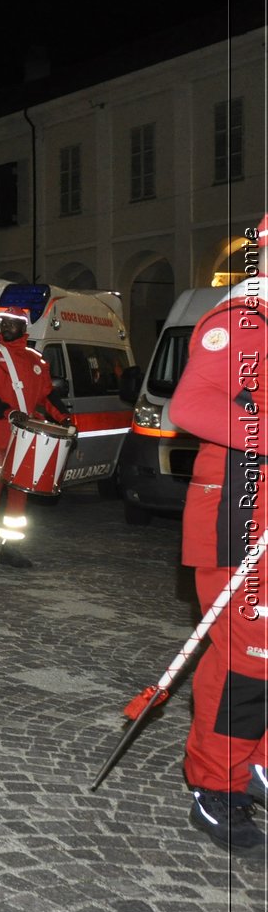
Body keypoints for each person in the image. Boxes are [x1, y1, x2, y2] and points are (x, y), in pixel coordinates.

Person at [169, 235, 268, 857]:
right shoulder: (241, 317)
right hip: (237, 521)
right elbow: (191, 403)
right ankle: (219, 787)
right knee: (247, 664)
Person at [0, 308, 70, 568]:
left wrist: (65, 419)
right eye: (4, 322)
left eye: (14, 323)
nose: (8, 326)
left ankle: (11, 549)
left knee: (19, 497)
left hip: (26, 441)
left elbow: (48, 395)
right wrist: (9, 412)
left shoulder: (38, 360)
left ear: (25, 327)